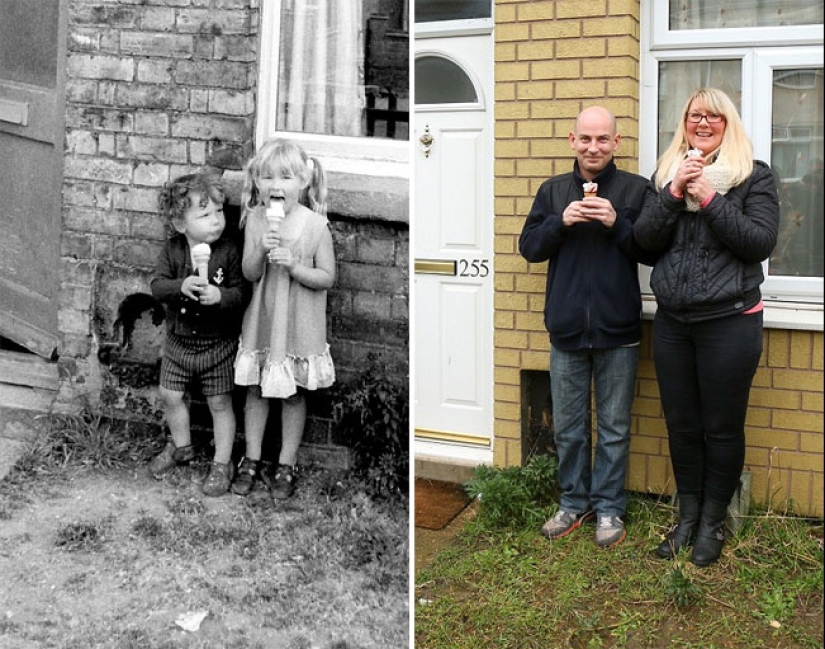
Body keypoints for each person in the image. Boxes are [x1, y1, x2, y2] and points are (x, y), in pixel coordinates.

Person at [633, 88, 779, 566]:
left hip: (730, 322)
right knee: (682, 426)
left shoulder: (753, 176)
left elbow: (759, 242)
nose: (703, 122)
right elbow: (643, 245)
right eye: (695, 115)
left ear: (727, 124)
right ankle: (687, 519)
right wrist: (675, 192)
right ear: (685, 123)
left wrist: (710, 198)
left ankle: (712, 522)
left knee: (720, 428)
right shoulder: (665, 176)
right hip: (674, 323)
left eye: (714, 116)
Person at [519, 106, 651, 548]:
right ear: (572, 140)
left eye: (603, 139)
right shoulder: (553, 191)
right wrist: (561, 222)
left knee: (614, 427)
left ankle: (609, 507)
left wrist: (617, 223)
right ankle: (573, 502)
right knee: (569, 427)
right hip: (567, 328)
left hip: (618, 329)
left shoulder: (635, 189)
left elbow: (651, 249)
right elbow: (529, 248)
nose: (594, 147)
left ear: (616, 142)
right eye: (586, 139)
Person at [233, 139, 336, 499]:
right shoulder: (255, 220)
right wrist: (261, 249)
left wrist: (294, 267)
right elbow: (249, 273)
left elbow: (327, 277)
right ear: (256, 182)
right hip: (263, 319)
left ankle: (286, 464)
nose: (275, 186)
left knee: (293, 394)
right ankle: (251, 458)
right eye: (267, 177)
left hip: (297, 323)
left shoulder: (316, 226)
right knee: (256, 389)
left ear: (303, 182)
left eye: (286, 177)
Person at [149, 173, 249, 496]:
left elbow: (242, 293)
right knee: (170, 394)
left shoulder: (229, 250)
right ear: (180, 223)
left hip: (217, 343)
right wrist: (180, 286)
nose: (216, 220)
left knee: (220, 401)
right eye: (204, 214)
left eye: (219, 211)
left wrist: (220, 296)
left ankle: (222, 462)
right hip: (178, 342)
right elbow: (157, 286)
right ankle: (181, 447)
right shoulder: (174, 250)